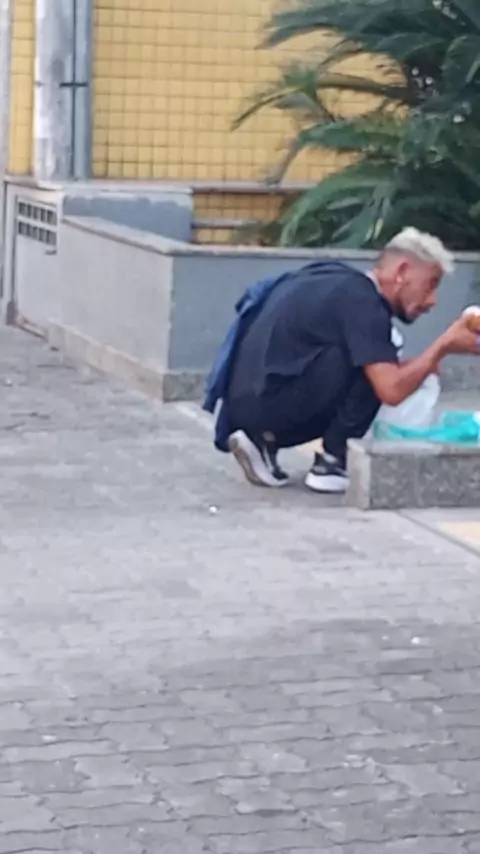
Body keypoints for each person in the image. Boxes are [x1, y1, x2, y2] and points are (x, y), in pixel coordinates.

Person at [205, 227, 480, 493]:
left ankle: (263, 439)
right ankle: (332, 462)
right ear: (402, 272)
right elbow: (391, 390)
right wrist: (443, 346)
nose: (432, 301)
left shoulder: (334, 279)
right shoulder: (365, 303)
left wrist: (421, 365)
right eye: (431, 285)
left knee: (376, 358)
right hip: (271, 404)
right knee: (369, 360)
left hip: (243, 405)